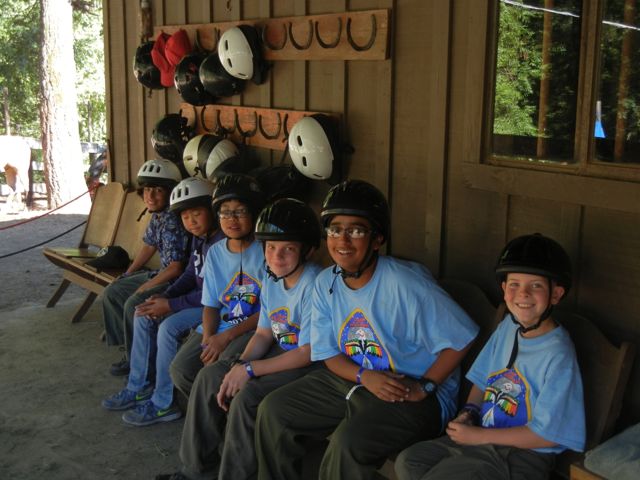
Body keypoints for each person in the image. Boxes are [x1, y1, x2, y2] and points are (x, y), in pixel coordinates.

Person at [254, 180, 479, 480]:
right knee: (274, 411)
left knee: (348, 444)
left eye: (357, 230)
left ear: (377, 239)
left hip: (410, 390)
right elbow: (327, 353)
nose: (343, 240)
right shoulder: (325, 283)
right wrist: (364, 376)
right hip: (357, 377)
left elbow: (463, 337)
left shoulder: (404, 283)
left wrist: (425, 386)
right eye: (335, 229)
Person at [394, 233, 586, 480]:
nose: (523, 294)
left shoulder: (558, 353)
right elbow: (483, 378)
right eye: (514, 284)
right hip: (483, 437)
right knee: (410, 461)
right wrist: (470, 412)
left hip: (523, 455)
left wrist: (479, 437)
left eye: (536, 286)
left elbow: (547, 435)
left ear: (556, 294)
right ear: (504, 289)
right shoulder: (509, 326)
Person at [156, 197, 323, 480]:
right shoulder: (272, 277)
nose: (276, 257)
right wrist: (239, 365)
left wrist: (250, 370)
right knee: (210, 377)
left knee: (247, 397)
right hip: (279, 348)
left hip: (305, 361)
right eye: (270, 248)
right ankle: (196, 470)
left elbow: (306, 352)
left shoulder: (314, 283)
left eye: (288, 249)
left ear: (307, 250)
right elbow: (264, 333)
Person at [101, 177, 223, 426]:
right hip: (197, 300)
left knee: (168, 327)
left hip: (214, 307)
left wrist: (171, 305)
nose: (191, 221)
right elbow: (189, 274)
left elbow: (214, 294)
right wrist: (166, 296)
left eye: (197, 214)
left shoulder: (221, 242)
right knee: (144, 312)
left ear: (212, 211)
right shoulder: (200, 238)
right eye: (185, 217)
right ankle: (139, 386)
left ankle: (163, 403)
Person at [169, 173, 266, 403]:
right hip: (220, 324)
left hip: (251, 328)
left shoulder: (267, 251)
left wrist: (225, 338)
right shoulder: (215, 252)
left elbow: (269, 311)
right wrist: (208, 339)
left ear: (254, 213)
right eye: (224, 212)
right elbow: (211, 305)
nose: (232, 219)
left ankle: (218, 411)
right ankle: (213, 409)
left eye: (240, 211)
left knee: (213, 373)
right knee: (180, 369)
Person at [102, 158, 190, 376]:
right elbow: (149, 246)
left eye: (158, 190)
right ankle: (129, 349)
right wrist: (128, 273)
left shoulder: (173, 220)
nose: (151, 196)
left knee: (134, 303)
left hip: (176, 281)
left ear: (170, 192)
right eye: (147, 190)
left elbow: (176, 268)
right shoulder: (158, 215)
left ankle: (140, 362)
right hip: (161, 273)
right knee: (113, 291)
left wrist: (143, 287)